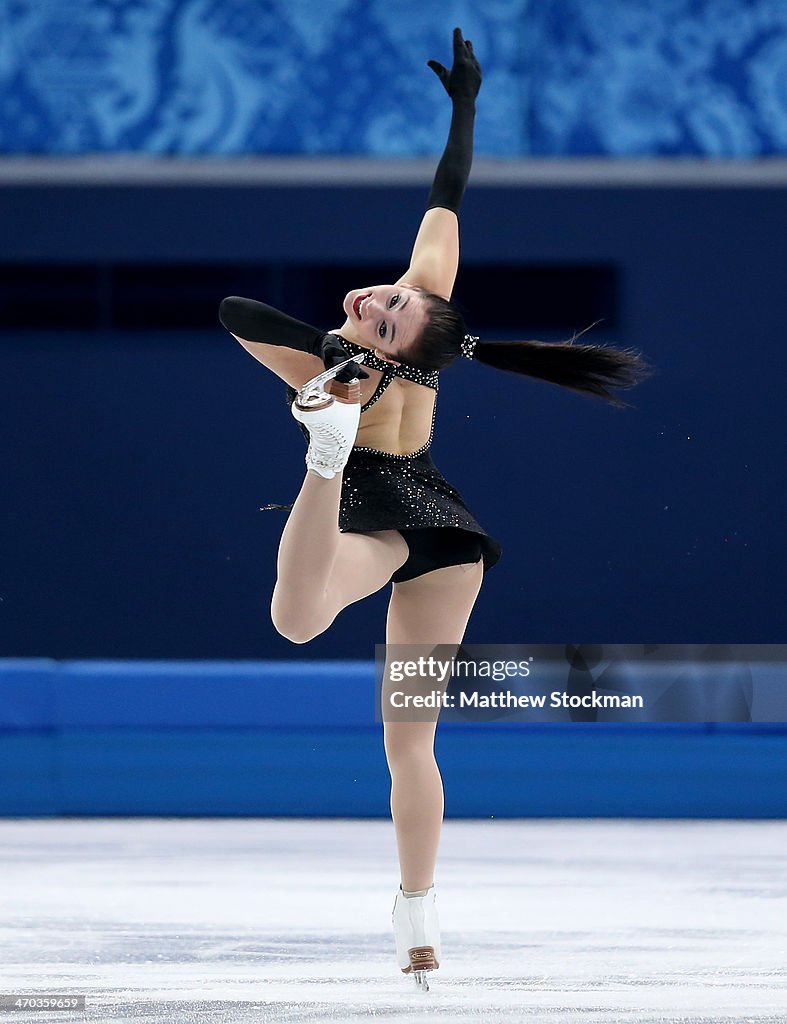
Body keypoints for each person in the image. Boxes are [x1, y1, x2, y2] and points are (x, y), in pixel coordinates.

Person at [219, 28, 651, 989]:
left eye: (380, 312)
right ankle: (416, 918)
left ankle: (321, 456)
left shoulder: (332, 364)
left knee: (299, 626)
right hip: (444, 527)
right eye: (384, 298)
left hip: (385, 509)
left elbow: (235, 312)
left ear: (403, 351)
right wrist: (464, 108)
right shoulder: (416, 306)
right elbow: (444, 198)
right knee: (403, 734)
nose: (372, 297)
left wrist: (339, 365)